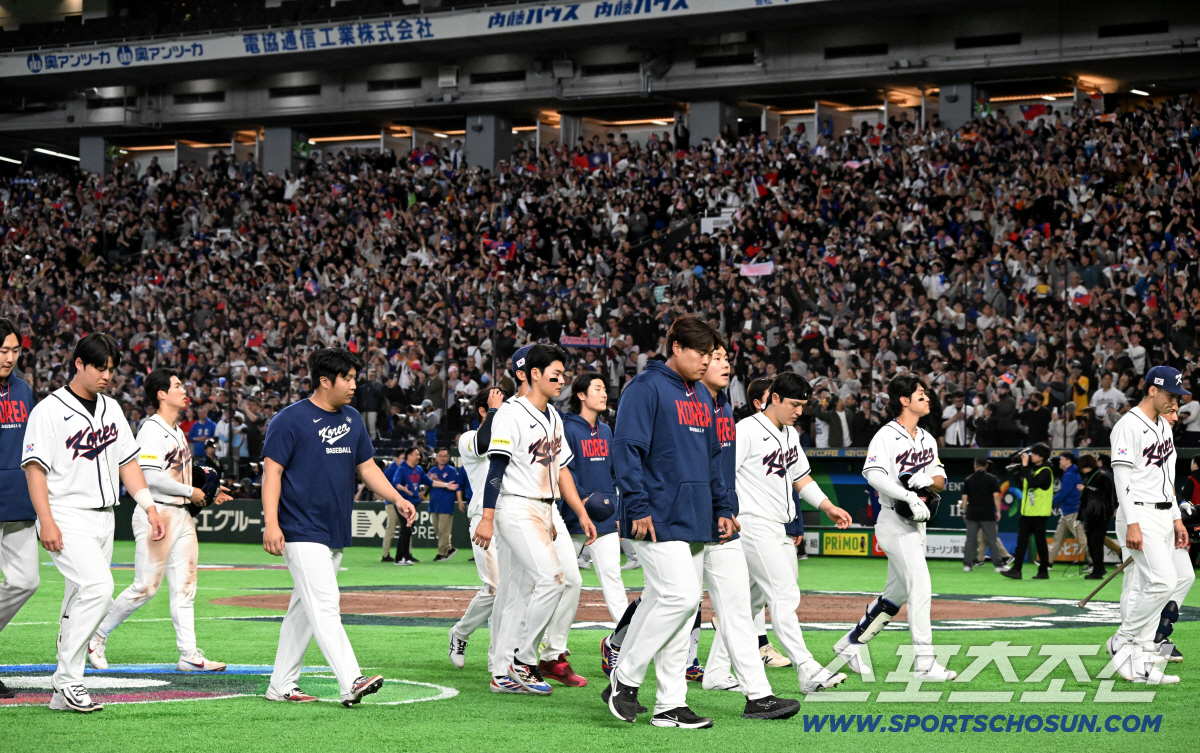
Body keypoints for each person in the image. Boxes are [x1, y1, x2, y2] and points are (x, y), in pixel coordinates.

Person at [260, 347, 417, 705]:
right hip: (300, 529)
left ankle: (281, 684)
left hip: (333, 529)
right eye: (347, 378)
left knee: (304, 610)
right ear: (324, 381)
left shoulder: (352, 419)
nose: (353, 385)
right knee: (326, 604)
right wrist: (271, 523)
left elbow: (368, 468)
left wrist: (396, 497)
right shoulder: (289, 419)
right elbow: (273, 473)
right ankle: (352, 680)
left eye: (354, 378)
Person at [21, 333, 166, 713]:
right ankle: (67, 679)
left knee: (77, 600)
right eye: (99, 367)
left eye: (111, 369)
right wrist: (46, 520)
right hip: (66, 514)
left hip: (104, 518)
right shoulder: (48, 410)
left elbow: (127, 462)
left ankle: (60, 695)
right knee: (100, 589)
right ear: (79, 364)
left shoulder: (112, 408)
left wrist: (149, 506)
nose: (106, 375)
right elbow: (35, 470)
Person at [604, 315, 736, 728]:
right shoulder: (644, 388)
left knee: (680, 607)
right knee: (679, 597)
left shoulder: (700, 394)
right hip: (655, 515)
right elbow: (626, 451)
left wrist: (723, 507)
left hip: (695, 515)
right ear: (676, 347)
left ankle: (670, 705)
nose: (706, 361)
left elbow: (715, 459)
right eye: (701, 353)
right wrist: (639, 506)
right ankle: (624, 679)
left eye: (711, 354)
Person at [705, 370, 852, 697]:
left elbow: (801, 478)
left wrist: (827, 506)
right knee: (784, 594)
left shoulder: (790, 434)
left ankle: (715, 670)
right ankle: (808, 670)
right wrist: (725, 510)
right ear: (773, 398)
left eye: (803, 405)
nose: (799, 411)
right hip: (753, 522)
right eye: (794, 404)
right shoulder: (745, 430)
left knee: (750, 603)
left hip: (778, 525)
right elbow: (722, 472)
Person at [88, 369, 232, 672]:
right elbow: (150, 476)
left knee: (185, 587)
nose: (184, 389)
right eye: (177, 386)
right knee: (144, 587)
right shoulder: (151, 428)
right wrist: (189, 490)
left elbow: (177, 473)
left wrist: (208, 492)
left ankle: (189, 655)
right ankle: (97, 637)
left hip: (180, 513)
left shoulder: (178, 431)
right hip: (158, 514)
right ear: (161, 394)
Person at [474, 344, 596, 694]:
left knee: (547, 584)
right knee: (550, 580)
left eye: (563, 374)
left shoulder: (555, 416)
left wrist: (580, 512)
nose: (561, 380)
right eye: (554, 374)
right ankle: (522, 660)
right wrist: (487, 516)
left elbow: (562, 470)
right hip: (516, 506)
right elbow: (496, 467)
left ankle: (502, 668)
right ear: (532, 375)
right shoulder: (510, 413)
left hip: (548, 508)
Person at [833, 372, 955, 681]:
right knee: (921, 587)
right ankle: (925, 664)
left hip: (916, 524)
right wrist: (906, 494)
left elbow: (941, 478)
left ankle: (850, 644)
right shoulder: (886, 435)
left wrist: (929, 481)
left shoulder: (926, 437)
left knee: (896, 596)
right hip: (893, 520)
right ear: (904, 400)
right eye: (920, 393)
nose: (927, 397)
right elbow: (873, 474)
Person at [1104, 366, 1190, 684]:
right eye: (1170, 394)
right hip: (1138, 513)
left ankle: (1140, 659)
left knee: (1156, 583)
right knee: (1164, 581)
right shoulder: (1128, 425)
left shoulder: (1163, 427)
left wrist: (1176, 519)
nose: (1174, 401)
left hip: (1163, 515)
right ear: (1152, 390)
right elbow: (1122, 478)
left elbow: (1166, 479)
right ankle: (1122, 640)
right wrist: (1133, 524)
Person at [447, 387, 505, 670]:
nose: (504, 410)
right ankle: (459, 633)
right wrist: (494, 410)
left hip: (512, 520)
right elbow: (483, 446)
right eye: (496, 406)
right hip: (483, 520)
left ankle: (501, 656)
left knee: (515, 590)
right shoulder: (469, 438)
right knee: (494, 588)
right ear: (484, 410)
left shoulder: (511, 438)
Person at [562, 373, 627, 622]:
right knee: (565, 583)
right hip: (573, 517)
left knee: (613, 579)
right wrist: (583, 502)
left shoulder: (607, 430)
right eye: (597, 389)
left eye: (604, 389)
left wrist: (616, 509)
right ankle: (551, 642)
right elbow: (563, 473)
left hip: (604, 517)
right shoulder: (566, 429)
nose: (604, 394)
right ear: (581, 395)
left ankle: (624, 639)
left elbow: (613, 474)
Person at [0, 318, 37, 700]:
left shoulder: (24, 390)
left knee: (27, 581)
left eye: (15, 350)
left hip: (19, 502)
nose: (9, 357)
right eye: (3, 350)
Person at [1001, 443, 1054, 580]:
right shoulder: (1035, 470)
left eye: (1035, 454)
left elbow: (1033, 483)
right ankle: (1016, 570)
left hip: (1039, 514)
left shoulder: (1046, 471)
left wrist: (1024, 466)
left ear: (1042, 457)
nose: (1032, 456)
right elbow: (1024, 485)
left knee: (1040, 543)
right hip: (1028, 514)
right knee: (1021, 543)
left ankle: (1043, 571)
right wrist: (1015, 473)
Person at [961, 456, 1008, 573]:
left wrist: (965, 511)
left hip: (972, 514)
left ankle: (967, 565)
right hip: (987, 515)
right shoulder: (992, 479)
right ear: (986, 466)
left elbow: (964, 498)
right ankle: (998, 566)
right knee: (992, 540)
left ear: (975, 465)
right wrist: (998, 511)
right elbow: (996, 496)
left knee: (970, 540)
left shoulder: (968, 479)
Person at [386, 447, 430, 565]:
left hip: (413, 503)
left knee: (407, 530)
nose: (419, 457)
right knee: (406, 529)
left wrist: (446, 485)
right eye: (417, 454)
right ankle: (402, 557)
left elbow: (430, 482)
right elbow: (395, 483)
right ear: (409, 456)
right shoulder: (402, 468)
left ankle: (401, 557)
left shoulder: (418, 469)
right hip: (403, 504)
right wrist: (404, 489)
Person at [1047, 452, 1088, 569]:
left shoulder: (1070, 474)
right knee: (1058, 539)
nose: (1059, 461)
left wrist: (1050, 501)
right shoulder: (1072, 472)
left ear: (1068, 460)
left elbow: (1064, 493)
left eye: (1061, 459)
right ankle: (1048, 562)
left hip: (1072, 512)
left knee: (1082, 540)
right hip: (1067, 512)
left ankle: (1095, 563)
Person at [1077, 453, 1115, 580]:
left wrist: (1086, 489)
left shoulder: (1103, 476)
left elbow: (1104, 494)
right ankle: (1099, 568)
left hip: (1100, 514)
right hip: (1091, 514)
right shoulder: (1090, 476)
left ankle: (1098, 571)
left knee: (1096, 542)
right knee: (1092, 542)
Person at [427, 447, 461, 562]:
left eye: (445, 456)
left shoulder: (451, 470)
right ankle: (449, 548)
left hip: (446, 504)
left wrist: (438, 480)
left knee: (443, 531)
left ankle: (441, 553)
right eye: (440, 456)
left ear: (448, 458)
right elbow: (428, 486)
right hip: (434, 503)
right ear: (436, 458)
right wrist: (428, 481)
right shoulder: (432, 470)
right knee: (437, 530)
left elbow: (453, 487)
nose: (442, 458)